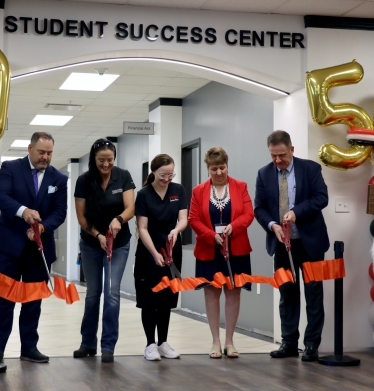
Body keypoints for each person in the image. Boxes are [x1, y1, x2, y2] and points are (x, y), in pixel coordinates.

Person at [0, 131, 68, 363]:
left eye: (50, 153)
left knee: (33, 301)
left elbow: (59, 213)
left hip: (39, 250)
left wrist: (41, 228)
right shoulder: (10, 169)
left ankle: (29, 348)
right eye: (41, 152)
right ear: (30, 148)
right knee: (5, 300)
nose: (45, 157)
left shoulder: (59, 179)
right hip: (8, 247)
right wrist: (23, 211)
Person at [254, 130, 329, 362]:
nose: (278, 161)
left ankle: (311, 345)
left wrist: (297, 212)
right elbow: (259, 208)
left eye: (282, 155)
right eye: (273, 156)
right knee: (287, 295)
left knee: (313, 294)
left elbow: (321, 198)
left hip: (311, 243)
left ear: (292, 149)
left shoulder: (311, 169)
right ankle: (288, 343)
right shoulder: (264, 174)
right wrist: (272, 224)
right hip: (281, 246)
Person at [73, 138, 135, 363]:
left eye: (110, 159)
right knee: (92, 295)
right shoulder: (83, 180)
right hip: (91, 243)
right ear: (94, 159)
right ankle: (87, 343)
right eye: (101, 160)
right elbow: (81, 217)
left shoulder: (123, 176)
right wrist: (98, 235)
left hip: (118, 244)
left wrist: (119, 219)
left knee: (112, 294)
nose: (106, 164)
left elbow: (131, 208)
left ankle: (108, 345)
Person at [189, 147, 254, 359]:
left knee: (234, 291)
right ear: (207, 169)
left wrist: (233, 227)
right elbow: (193, 219)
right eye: (214, 168)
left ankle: (230, 341)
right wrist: (210, 235)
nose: (219, 172)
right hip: (209, 248)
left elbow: (248, 214)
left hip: (236, 247)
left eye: (222, 168)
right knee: (211, 292)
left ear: (227, 166)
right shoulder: (198, 191)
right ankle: (216, 341)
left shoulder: (240, 187)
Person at [135, 154, 188, 361]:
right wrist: (155, 253)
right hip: (149, 251)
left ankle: (163, 342)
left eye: (170, 175)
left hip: (172, 248)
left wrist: (176, 231)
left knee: (166, 298)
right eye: (162, 175)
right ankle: (150, 344)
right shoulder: (144, 194)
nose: (167, 179)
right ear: (153, 172)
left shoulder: (178, 190)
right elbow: (142, 228)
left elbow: (183, 219)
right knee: (149, 299)